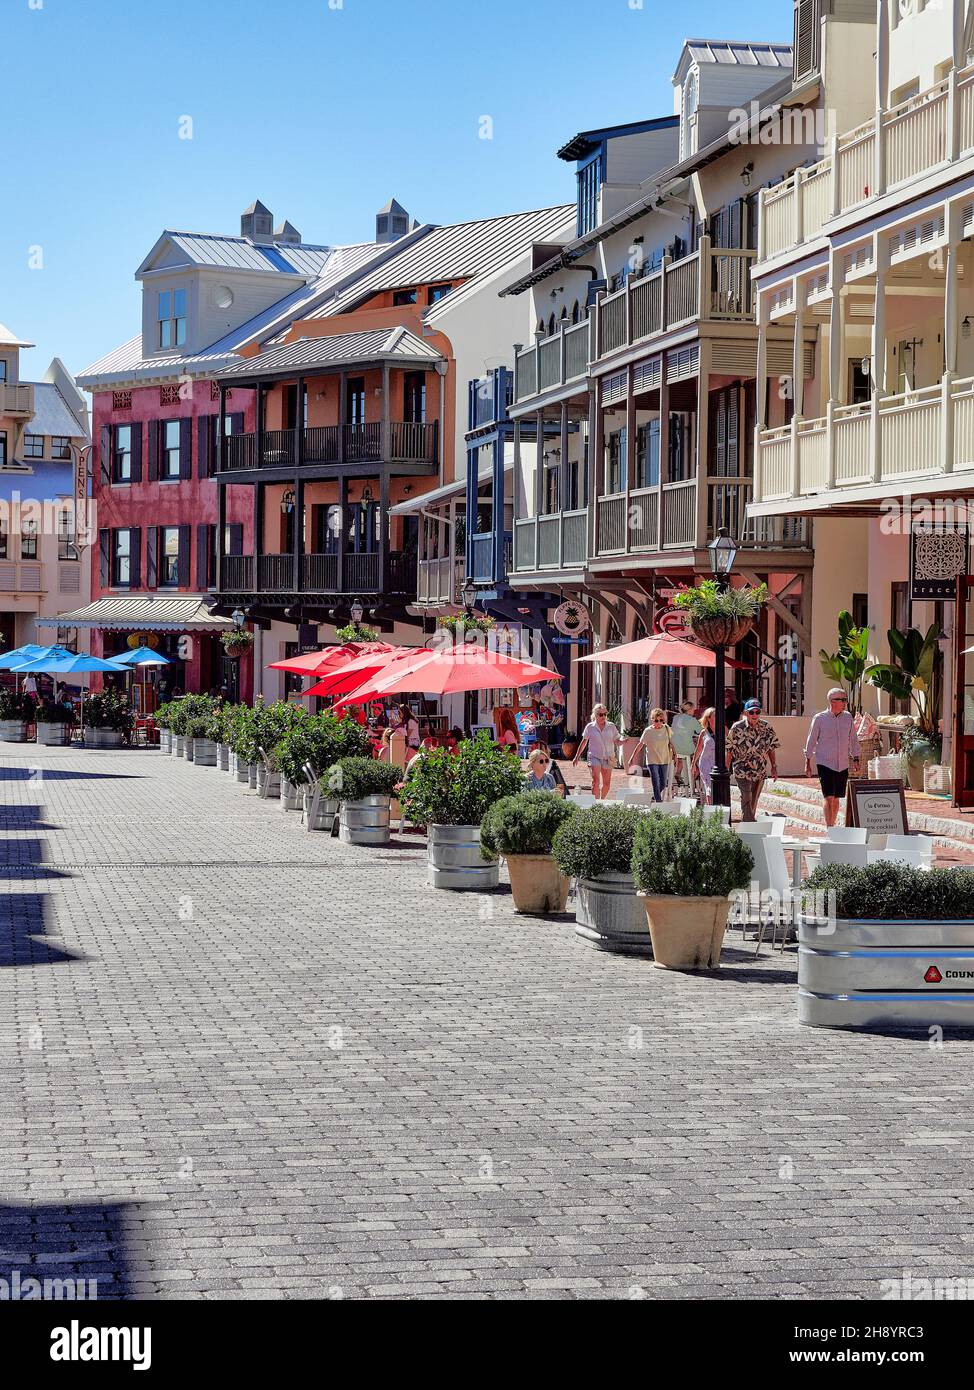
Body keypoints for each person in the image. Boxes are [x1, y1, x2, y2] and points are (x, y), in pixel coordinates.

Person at [804, 687, 860, 827]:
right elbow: (811, 740)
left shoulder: (847, 717)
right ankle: (829, 827)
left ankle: (833, 824)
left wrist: (856, 758)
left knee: (836, 799)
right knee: (828, 797)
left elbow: (853, 739)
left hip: (842, 763)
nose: (845, 703)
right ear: (833, 701)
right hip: (825, 763)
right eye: (843, 700)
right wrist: (808, 761)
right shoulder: (819, 718)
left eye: (845, 700)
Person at [726, 698, 780, 822]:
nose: (755, 715)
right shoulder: (737, 728)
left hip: (759, 768)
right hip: (742, 769)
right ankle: (749, 822)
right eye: (751, 712)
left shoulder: (767, 727)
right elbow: (729, 749)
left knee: (754, 799)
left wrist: (774, 767)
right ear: (745, 713)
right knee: (746, 795)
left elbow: (772, 747)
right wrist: (726, 769)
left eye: (757, 712)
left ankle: (748, 822)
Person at [574, 702, 622, 800]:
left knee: (607, 783)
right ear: (595, 715)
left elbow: (617, 742)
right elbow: (584, 742)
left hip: (608, 758)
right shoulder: (590, 727)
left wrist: (624, 742)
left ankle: (602, 801)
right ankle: (595, 803)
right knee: (595, 781)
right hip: (594, 756)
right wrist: (577, 756)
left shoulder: (611, 726)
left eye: (605, 714)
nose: (603, 716)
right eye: (601, 714)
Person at [633, 707, 675, 803]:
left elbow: (671, 742)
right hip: (652, 760)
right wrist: (632, 757)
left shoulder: (667, 728)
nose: (659, 722)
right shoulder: (648, 731)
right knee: (656, 782)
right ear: (652, 720)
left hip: (664, 759)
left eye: (661, 720)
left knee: (663, 784)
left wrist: (675, 755)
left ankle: (653, 796)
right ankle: (658, 802)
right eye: (656, 720)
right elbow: (640, 745)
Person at [670, 699, 703, 791]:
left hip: (674, 749)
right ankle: (690, 781)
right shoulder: (692, 720)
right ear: (689, 710)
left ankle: (678, 773)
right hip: (687, 749)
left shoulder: (675, 718)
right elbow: (701, 731)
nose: (694, 711)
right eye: (693, 709)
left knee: (681, 758)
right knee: (699, 757)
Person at [690, 707, 717, 803]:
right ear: (708, 718)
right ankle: (711, 808)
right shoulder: (704, 732)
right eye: (715, 716)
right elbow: (698, 749)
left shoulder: (723, 730)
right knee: (709, 786)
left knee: (716, 787)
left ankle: (715, 808)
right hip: (706, 763)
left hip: (718, 763)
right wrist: (693, 764)